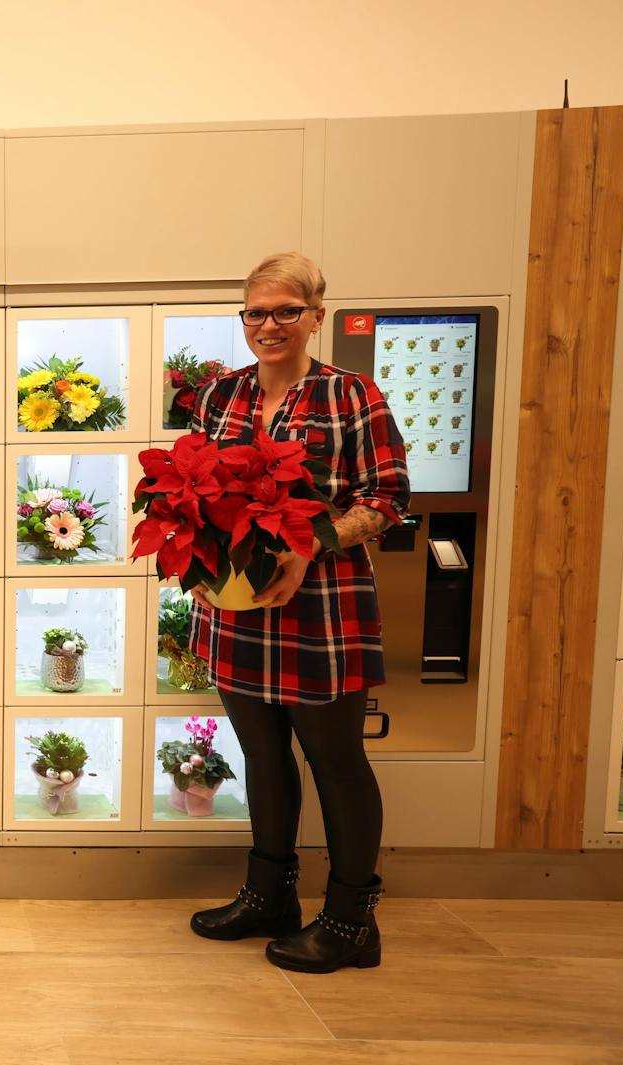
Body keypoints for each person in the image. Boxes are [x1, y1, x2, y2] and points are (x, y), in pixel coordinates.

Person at [183, 251, 410, 974]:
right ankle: (269, 896)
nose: (270, 324)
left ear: (318, 314)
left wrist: (309, 546)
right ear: (243, 318)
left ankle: (349, 922)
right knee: (261, 754)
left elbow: (388, 498)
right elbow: (196, 491)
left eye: (286, 310)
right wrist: (195, 558)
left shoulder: (354, 397)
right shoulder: (219, 396)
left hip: (323, 604)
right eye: (256, 311)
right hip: (238, 605)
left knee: (336, 761)